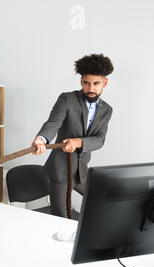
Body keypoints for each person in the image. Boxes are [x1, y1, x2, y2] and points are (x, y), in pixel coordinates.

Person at [32, 53, 114, 219]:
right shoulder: (67, 99)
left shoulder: (107, 110)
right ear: (81, 82)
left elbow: (100, 139)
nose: (90, 88)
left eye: (96, 83)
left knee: (101, 200)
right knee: (60, 217)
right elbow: (53, 123)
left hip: (81, 172)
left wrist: (78, 142)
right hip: (61, 170)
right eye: (86, 83)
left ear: (105, 83)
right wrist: (40, 139)